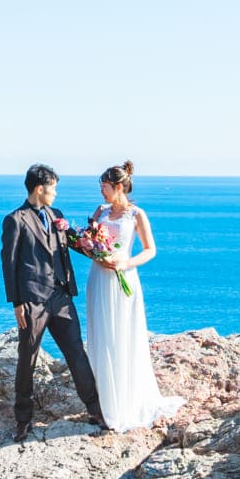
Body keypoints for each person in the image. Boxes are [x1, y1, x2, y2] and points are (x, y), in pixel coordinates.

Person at [0, 163, 106, 441]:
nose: (56, 193)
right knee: (28, 358)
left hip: (61, 298)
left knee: (76, 353)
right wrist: (17, 303)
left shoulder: (57, 215)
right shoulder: (16, 220)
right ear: (39, 188)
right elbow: (8, 263)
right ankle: (23, 420)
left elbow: (74, 243)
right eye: (53, 188)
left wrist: (101, 247)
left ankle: (95, 409)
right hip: (32, 300)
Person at [83, 161, 181, 430]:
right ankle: (103, 401)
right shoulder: (100, 211)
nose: (101, 192)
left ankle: (125, 400)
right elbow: (90, 242)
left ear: (117, 187)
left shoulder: (136, 214)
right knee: (101, 333)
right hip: (99, 277)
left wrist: (126, 263)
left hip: (122, 276)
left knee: (122, 334)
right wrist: (91, 250)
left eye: (104, 187)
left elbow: (150, 250)